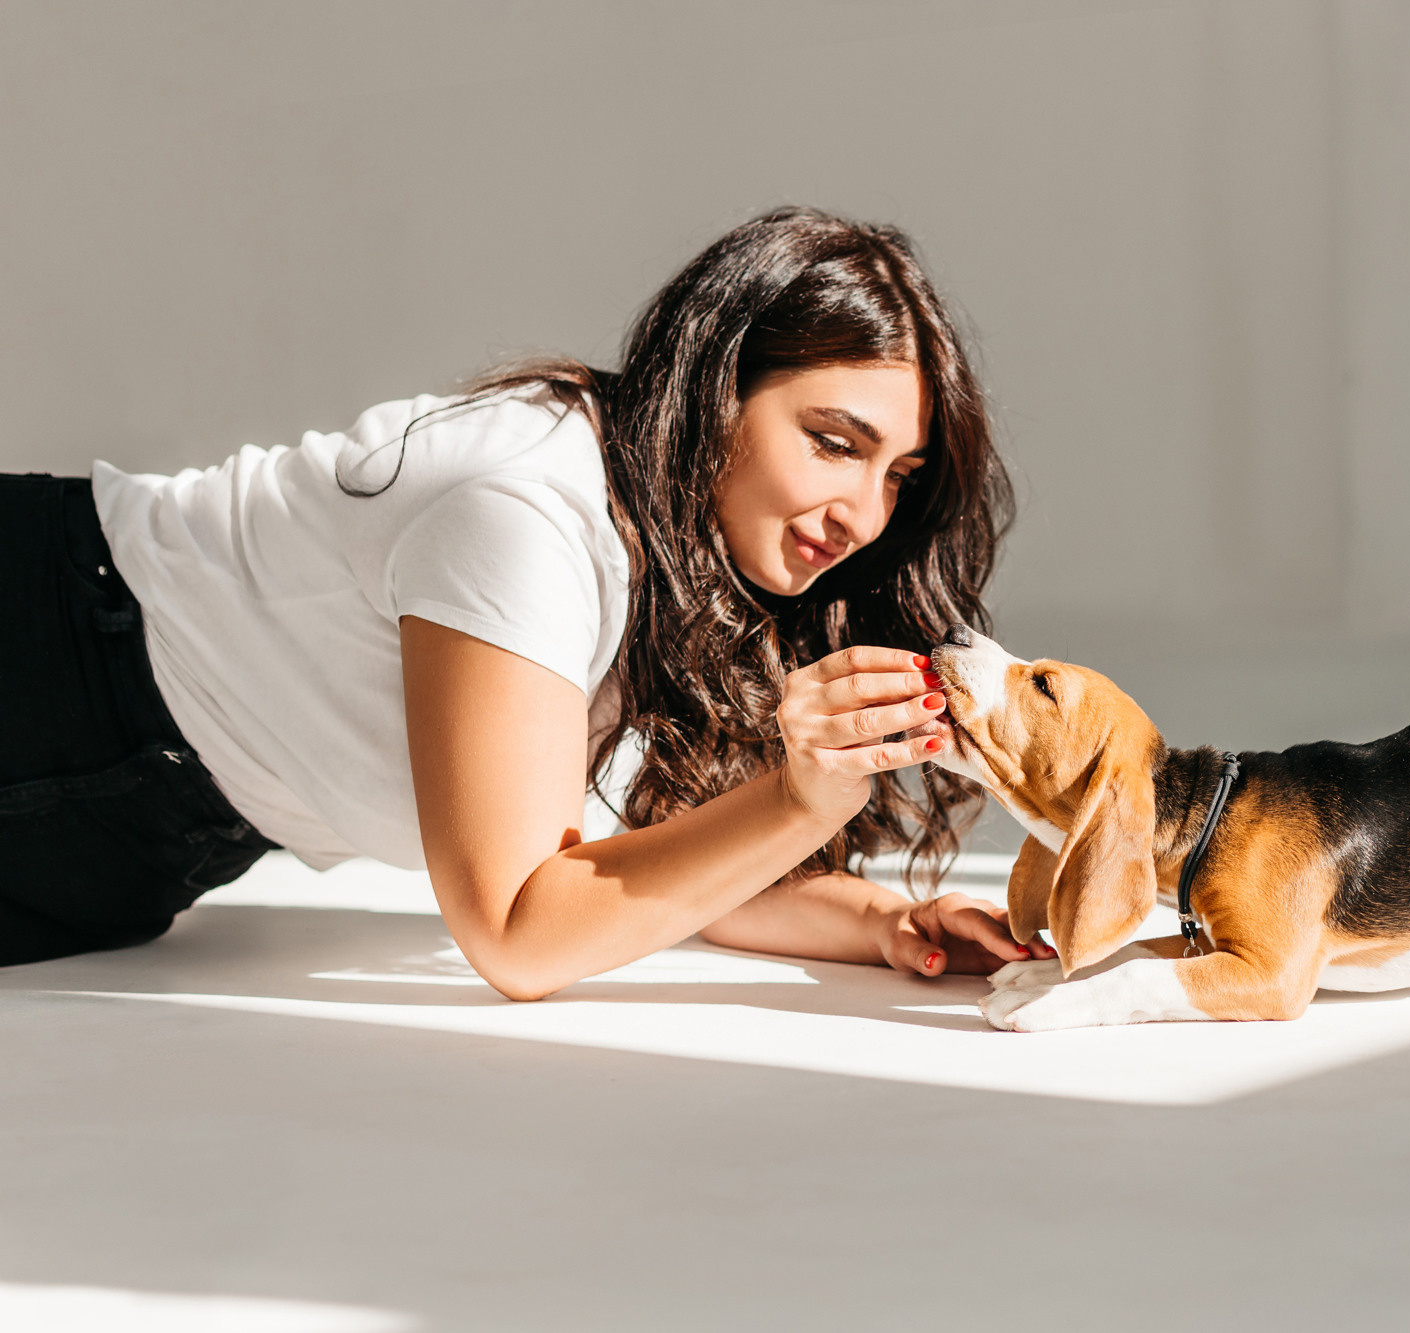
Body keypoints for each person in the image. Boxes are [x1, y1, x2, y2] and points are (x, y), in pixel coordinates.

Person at [0, 206, 1056, 995]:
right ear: (716, 389)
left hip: (137, 812)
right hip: (44, 656)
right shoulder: (527, 510)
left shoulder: (679, 543)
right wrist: (798, 796)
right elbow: (518, 929)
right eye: (832, 443)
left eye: (898, 478)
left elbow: (651, 866)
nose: (861, 516)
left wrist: (889, 919)